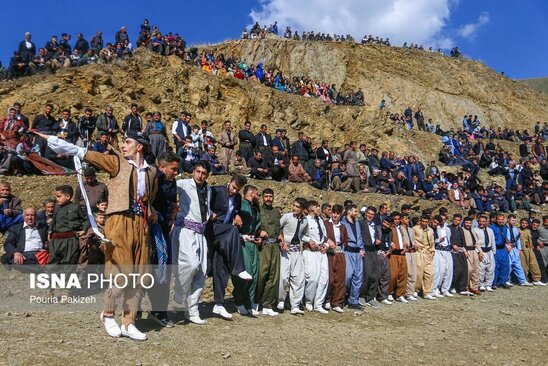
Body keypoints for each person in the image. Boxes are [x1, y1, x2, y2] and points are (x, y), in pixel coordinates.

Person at [39, 129, 158, 341]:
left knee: (139, 274)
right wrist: (56, 141)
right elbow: (85, 153)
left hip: (141, 225)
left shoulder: (151, 172)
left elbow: (149, 199)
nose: (123, 146)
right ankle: (108, 313)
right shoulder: (118, 163)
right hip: (119, 222)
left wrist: (151, 216)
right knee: (122, 272)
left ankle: (129, 322)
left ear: (139, 146)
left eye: (127, 142)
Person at [206, 175, 252, 320]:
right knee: (234, 230)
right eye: (232, 187)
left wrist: (237, 214)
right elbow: (203, 202)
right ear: (229, 182)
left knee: (222, 267)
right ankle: (239, 268)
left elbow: (235, 210)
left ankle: (218, 304)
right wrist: (209, 213)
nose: (233, 191)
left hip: (223, 236)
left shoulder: (237, 198)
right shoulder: (215, 190)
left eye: (237, 189)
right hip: (212, 229)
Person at [172, 161, 210, 325]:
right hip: (186, 230)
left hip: (201, 233)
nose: (200, 176)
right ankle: (179, 290)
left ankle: (192, 310)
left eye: (203, 173)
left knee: (201, 271)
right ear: (193, 171)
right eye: (198, 172)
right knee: (191, 264)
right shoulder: (183, 184)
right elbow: (167, 186)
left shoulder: (207, 189)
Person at [147, 151, 180, 327]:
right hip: (149, 231)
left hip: (164, 230)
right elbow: (145, 201)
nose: (176, 173)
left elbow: (171, 202)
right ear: (162, 167)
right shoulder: (152, 178)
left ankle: (159, 311)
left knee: (163, 270)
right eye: (173, 169)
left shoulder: (171, 181)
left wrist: (173, 210)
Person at [233, 185, 262, 315]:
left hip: (253, 244)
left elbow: (257, 225)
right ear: (251, 194)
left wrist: (259, 235)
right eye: (258, 194)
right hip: (242, 243)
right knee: (246, 273)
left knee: (255, 274)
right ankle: (238, 301)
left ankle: (249, 303)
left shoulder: (255, 208)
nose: (259, 197)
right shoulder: (240, 205)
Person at [278, 197, 310, 315]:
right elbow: (278, 229)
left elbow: (303, 235)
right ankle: (280, 300)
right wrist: (281, 241)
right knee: (283, 277)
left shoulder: (305, 221)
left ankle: (295, 305)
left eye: (298, 207)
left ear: (302, 209)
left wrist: (310, 240)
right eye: (294, 205)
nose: (295, 208)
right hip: (285, 251)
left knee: (298, 279)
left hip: (297, 251)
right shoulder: (287, 217)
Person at [48, 185, 89, 266]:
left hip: (70, 240)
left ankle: (67, 278)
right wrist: (50, 231)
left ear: (67, 196)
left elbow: (86, 220)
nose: (57, 199)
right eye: (56, 197)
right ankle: (52, 278)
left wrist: (84, 230)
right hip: (55, 240)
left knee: (68, 263)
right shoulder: (56, 208)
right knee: (52, 262)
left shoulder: (75, 207)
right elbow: (54, 220)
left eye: (59, 196)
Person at [257, 188, 282, 316]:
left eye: (270, 196)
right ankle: (256, 301)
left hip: (275, 246)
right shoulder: (258, 210)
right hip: (264, 246)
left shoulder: (276, 212)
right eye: (266, 196)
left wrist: (281, 235)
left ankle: (267, 304)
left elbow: (279, 228)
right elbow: (254, 225)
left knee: (274, 276)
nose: (268, 199)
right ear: (262, 197)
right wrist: (258, 232)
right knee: (261, 274)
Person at [302, 200, 329, 314]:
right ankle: (308, 301)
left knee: (324, 278)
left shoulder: (321, 220)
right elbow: (300, 234)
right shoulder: (305, 220)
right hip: (310, 252)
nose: (319, 209)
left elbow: (324, 235)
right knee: (312, 278)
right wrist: (309, 240)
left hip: (321, 252)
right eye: (317, 207)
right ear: (311, 209)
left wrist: (327, 244)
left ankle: (318, 303)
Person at [323, 204, 347, 313]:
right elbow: (321, 235)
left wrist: (342, 247)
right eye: (334, 213)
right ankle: (327, 299)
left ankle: (337, 302)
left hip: (339, 253)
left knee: (340, 278)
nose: (335, 215)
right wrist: (328, 241)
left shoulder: (342, 227)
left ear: (341, 214)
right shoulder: (326, 224)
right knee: (330, 278)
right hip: (329, 253)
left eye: (338, 213)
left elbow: (345, 240)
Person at [359, 206, 381, 307]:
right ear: (365, 214)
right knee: (366, 274)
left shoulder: (374, 225)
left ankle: (371, 297)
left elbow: (375, 236)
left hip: (373, 250)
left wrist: (377, 240)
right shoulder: (361, 224)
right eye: (369, 214)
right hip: (365, 250)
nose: (370, 216)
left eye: (372, 214)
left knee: (375, 274)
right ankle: (362, 296)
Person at [504, 215, 532, 286]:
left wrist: (519, 248)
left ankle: (522, 281)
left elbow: (518, 239)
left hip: (514, 249)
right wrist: (506, 246)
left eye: (514, 220)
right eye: (512, 220)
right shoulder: (504, 228)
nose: (514, 222)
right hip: (507, 248)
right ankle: (507, 280)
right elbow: (503, 239)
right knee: (509, 265)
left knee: (518, 265)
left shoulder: (515, 229)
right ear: (508, 220)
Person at [413, 215, 436, 300]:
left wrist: (432, 251)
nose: (424, 223)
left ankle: (427, 292)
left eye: (426, 222)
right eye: (422, 221)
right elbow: (412, 239)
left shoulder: (430, 230)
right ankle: (416, 290)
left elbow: (432, 242)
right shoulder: (415, 229)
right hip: (419, 252)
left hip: (427, 253)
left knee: (430, 272)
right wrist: (414, 245)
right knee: (419, 273)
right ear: (420, 221)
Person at [388, 212, 409, 303]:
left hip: (402, 253)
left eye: (398, 219)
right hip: (393, 254)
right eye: (395, 219)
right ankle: (389, 292)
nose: (397, 220)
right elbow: (388, 239)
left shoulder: (401, 228)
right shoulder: (390, 228)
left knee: (403, 275)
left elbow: (404, 240)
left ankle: (400, 294)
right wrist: (391, 243)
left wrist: (405, 247)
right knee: (393, 275)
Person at [431, 214, 453, 297]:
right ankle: (436, 288)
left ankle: (445, 289)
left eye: (444, 219)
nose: (442, 221)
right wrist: (438, 241)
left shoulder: (447, 229)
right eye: (441, 219)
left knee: (449, 270)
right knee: (441, 270)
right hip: (439, 250)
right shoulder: (436, 229)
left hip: (447, 250)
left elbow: (449, 239)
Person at [449, 214, 469, 294]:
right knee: (456, 270)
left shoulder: (461, 229)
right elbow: (447, 239)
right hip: (453, 251)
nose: (456, 221)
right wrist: (453, 245)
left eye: (458, 220)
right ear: (453, 219)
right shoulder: (449, 228)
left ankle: (462, 288)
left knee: (464, 269)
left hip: (461, 250)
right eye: (455, 219)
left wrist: (465, 250)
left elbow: (463, 241)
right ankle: (452, 286)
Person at [475, 215, 496, 291]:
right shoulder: (475, 230)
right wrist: (478, 252)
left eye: (483, 221)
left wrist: (494, 251)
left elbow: (492, 241)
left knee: (490, 269)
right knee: (481, 269)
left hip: (489, 251)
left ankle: (488, 285)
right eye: (480, 221)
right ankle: (481, 284)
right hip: (481, 251)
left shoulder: (490, 230)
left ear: (486, 222)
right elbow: (475, 243)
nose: (481, 223)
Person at [490, 213, 511, 289]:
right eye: (499, 219)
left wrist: (508, 244)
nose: (501, 221)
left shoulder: (505, 227)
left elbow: (505, 238)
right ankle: (494, 282)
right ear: (496, 219)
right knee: (496, 266)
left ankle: (502, 282)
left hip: (503, 249)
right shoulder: (492, 227)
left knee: (505, 266)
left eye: (502, 219)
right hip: (496, 249)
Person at [400, 213, 418, 301]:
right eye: (406, 219)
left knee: (413, 272)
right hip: (405, 252)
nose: (407, 221)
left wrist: (415, 245)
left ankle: (410, 292)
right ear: (402, 219)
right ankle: (404, 292)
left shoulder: (411, 230)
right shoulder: (400, 229)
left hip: (412, 252)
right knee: (407, 272)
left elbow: (413, 240)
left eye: (408, 219)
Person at [462, 216, 482, 295]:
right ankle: (466, 285)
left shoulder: (473, 231)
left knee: (476, 269)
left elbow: (476, 243)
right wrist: (464, 251)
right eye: (466, 222)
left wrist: (480, 252)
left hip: (474, 251)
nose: (468, 224)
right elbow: (461, 242)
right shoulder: (462, 230)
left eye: (469, 223)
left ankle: (475, 287)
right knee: (469, 269)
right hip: (467, 251)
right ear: (464, 223)